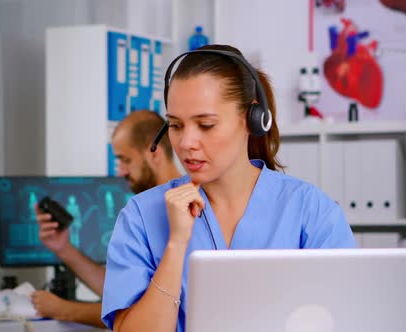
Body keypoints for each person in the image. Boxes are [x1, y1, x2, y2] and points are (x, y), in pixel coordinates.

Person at [101, 45, 357, 332]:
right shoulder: (141, 216)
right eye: (175, 125)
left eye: (206, 125)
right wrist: (176, 244)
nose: (186, 143)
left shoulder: (309, 210)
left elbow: (348, 317)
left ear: (251, 120)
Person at [31, 110, 181, 327]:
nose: (120, 171)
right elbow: (121, 293)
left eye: (125, 160)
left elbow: (150, 314)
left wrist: (64, 310)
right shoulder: (139, 214)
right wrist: (64, 248)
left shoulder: (186, 211)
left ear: (154, 152)